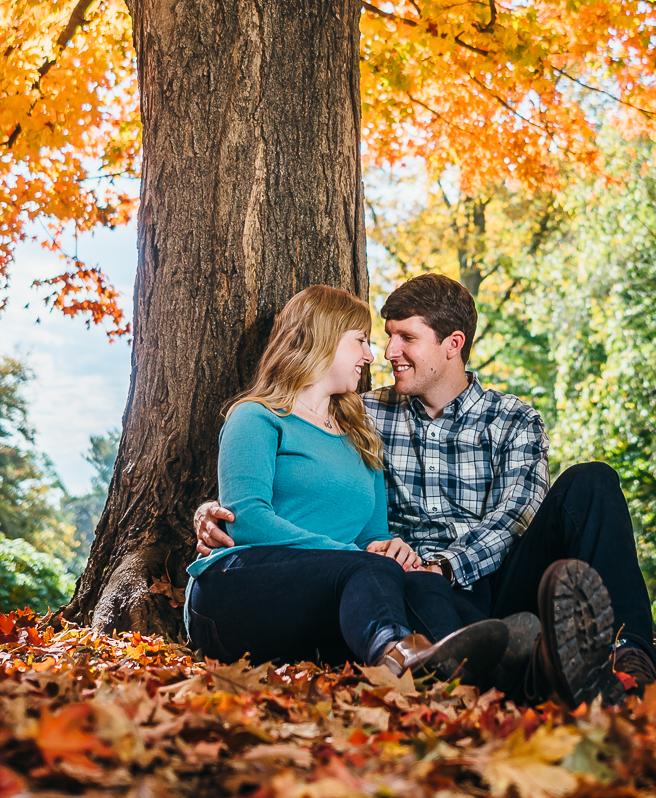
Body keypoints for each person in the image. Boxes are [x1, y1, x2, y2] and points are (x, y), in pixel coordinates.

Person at [197, 273, 656, 706]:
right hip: (413, 582)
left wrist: (447, 565)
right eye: (383, 336)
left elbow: (517, 514)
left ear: (452, 345)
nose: (387, 351)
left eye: (407, 338)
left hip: (490, 571)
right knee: (434, 608)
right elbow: (284, 460)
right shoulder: (363, 415)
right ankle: (545, 671)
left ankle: (630, 654)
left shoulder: (513, 418)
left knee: (593, 481)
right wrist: (214, 512)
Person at [183, 284, 513, 681]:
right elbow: (248, 518)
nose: (372, 356)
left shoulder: (363, 437)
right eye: (361, 341)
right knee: (369, 570)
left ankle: (476, 678)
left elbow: (371, 538)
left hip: (321, 599)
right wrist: (355, 557)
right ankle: (395, 659)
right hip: (235, 591)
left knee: (422, 584)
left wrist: (389, 550)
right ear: (323, 338)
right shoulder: (258, 417)